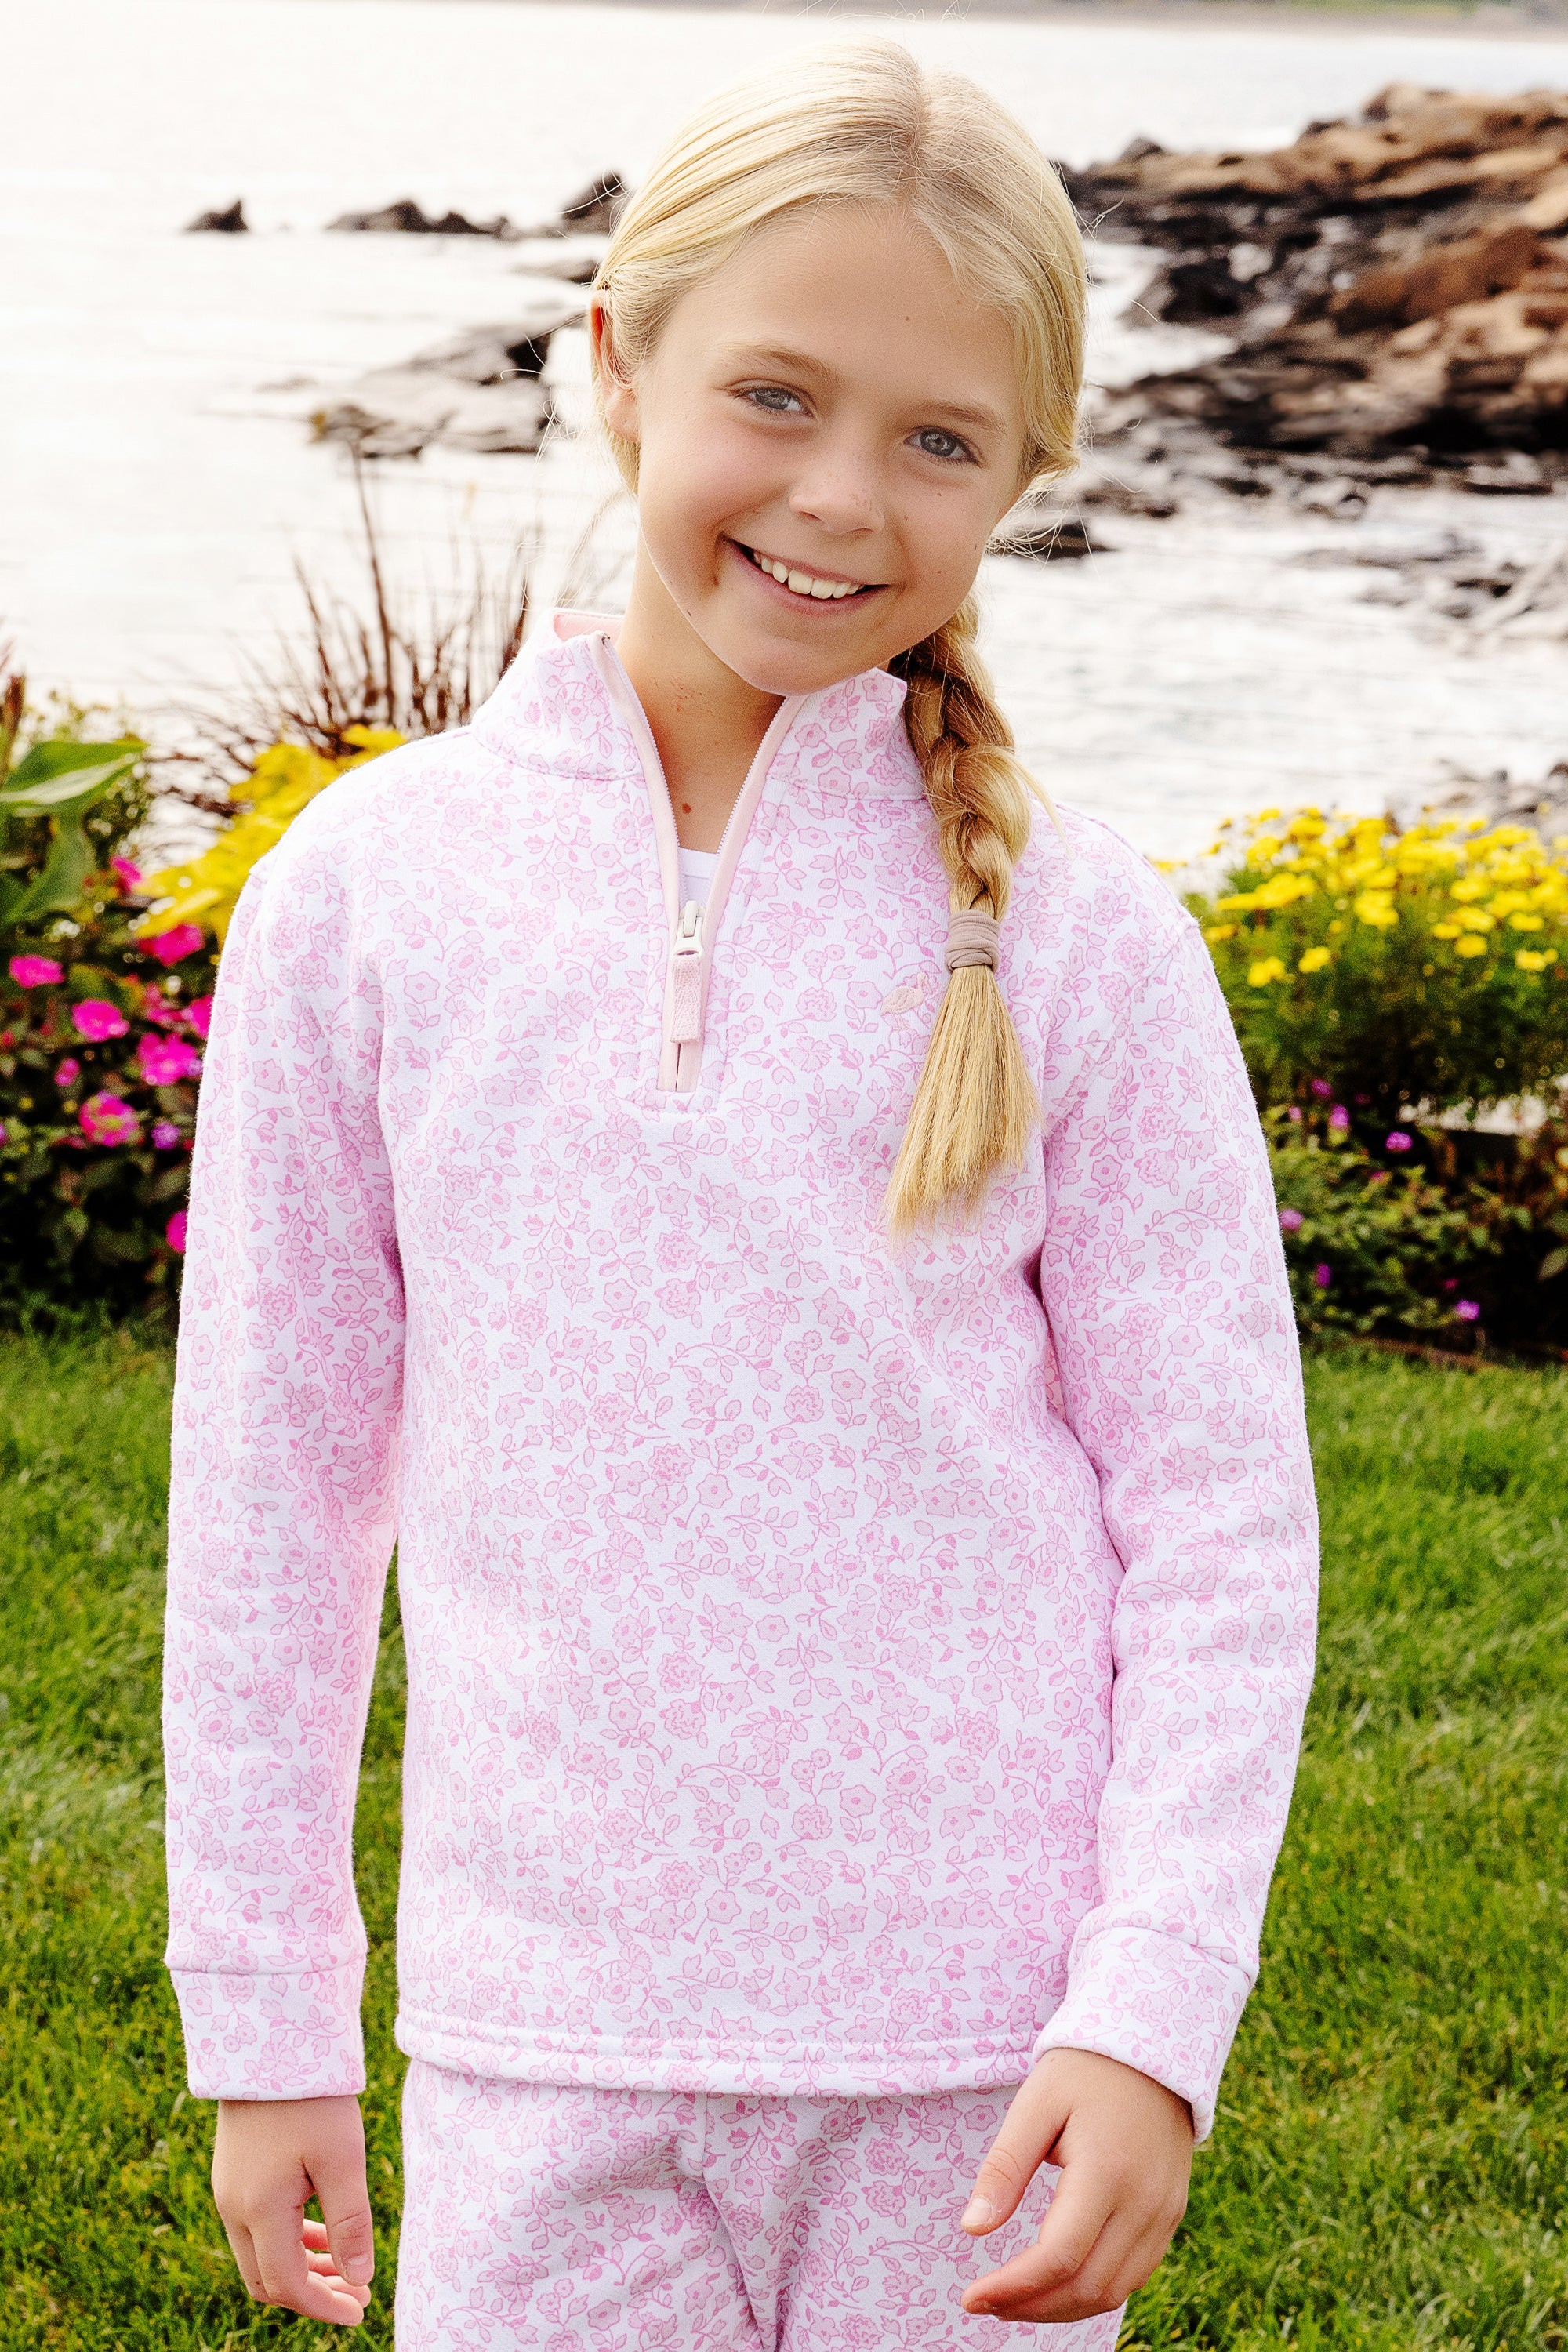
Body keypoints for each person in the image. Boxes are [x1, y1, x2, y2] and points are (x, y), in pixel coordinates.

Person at [162, 39, 1318, 2350]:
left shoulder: (1087, 937)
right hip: (537, 2051)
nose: (841, 497)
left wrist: (1150, 2014)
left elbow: (1219, 1525)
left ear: (1025, 476)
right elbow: (273, 1497)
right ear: (617, 358)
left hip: (981, 2068)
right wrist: (268, 2014)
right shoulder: (372, 895)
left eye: (941, 441)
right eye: (774, 396)